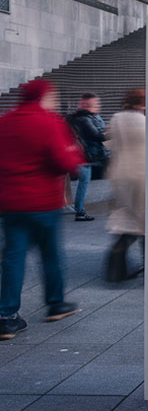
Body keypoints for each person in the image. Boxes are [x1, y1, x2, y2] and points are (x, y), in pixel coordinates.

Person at [0, 80, 84, 340]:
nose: (55, 102)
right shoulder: (50, 122)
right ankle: (55, 304)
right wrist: (74, 156)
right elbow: (66, 162)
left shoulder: (5, 122)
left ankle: (7, 317)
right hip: (43, 202)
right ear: (43, 97)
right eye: (53, 97)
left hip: (11, 203)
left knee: (13, 258)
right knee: (50, 255)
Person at [105, 89, 146, 282]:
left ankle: (116, 269)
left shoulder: (116, 118)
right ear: (141, 103)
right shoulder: (143, 121)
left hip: (120, 174)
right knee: (145, 221)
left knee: (126, 220)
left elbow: (110, 143)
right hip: (140, 175)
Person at [67, 93, 108, 222]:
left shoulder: (88, 117)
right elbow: (97, 136)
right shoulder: (84, 119)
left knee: (83, 182)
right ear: (84, 105)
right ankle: (79, 211)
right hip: (85, 156)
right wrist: (113, 133)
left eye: (96, 104)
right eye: (93, 104)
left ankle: (79, 209)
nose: (97, 106)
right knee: (83, 183)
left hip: (86, 155)